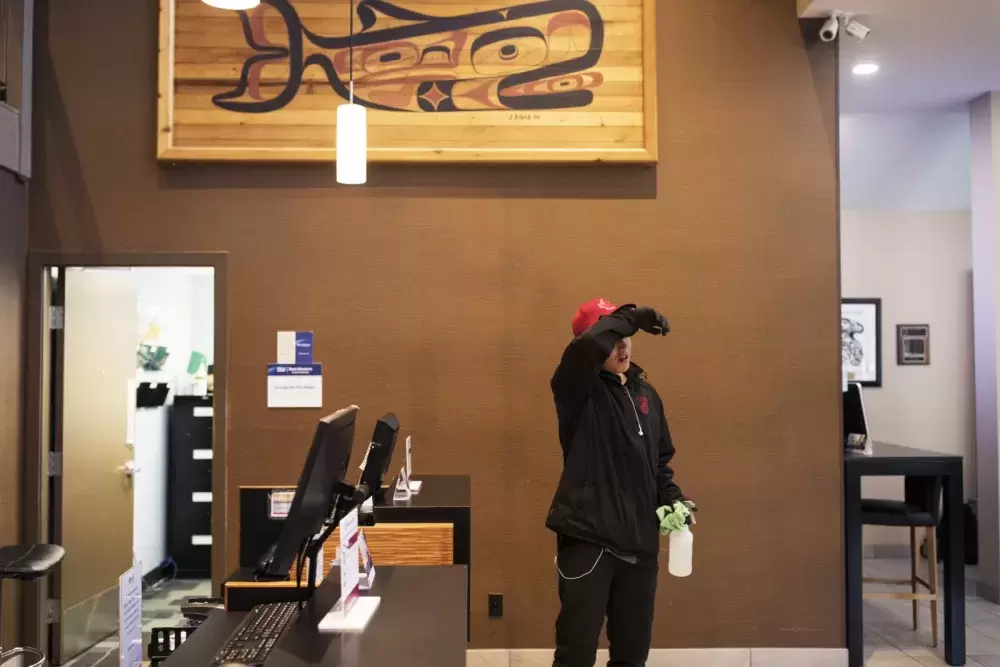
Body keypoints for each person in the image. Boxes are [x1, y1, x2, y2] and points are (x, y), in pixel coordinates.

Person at [546, 298, 694, 667]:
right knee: (575, 656)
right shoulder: (576, 390)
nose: (622, 345)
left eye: (627, 337)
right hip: (589, 541)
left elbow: (658, 463)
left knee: (631, 656)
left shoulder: (646, 395)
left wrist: (672, 499)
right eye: (613, 337)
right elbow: (587, 349)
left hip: (639, 546)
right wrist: (632, 317)